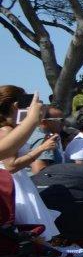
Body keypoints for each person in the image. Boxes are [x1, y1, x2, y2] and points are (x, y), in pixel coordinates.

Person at [0, 87, 62, 238]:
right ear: (16, 105)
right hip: (14, 185)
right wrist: (41, 149)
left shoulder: (10, 129)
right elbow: (11, 166)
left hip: (18, 183)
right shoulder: (6, 130)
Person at [26, 105, 64, 175]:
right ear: (44, 122)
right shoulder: (44, 140)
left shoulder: (32, 133)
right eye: (60, 120)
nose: (63, 123)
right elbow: (39, 171)